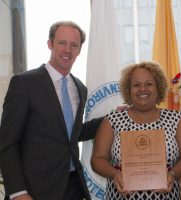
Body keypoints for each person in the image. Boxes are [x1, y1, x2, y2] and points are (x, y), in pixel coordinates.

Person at [0, 21, 103, 200]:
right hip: (35, 189)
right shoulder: (24, 84)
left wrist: (114, 116)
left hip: (73, 187)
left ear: (79, 50)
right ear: (50, 44)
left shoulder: (80, 88)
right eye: (62, 43)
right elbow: (8, 143)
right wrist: (18, 192)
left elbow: (72, 133)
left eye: (74, 45)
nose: (68, 50)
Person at [91, 61, 181, 200]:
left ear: (158, 87)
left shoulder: (175, 120)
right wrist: (114, 174)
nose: (142, 89)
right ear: (128, 89)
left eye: (148, 84)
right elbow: (97, 159)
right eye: (136, 85)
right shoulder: (112, 121)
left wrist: (172, 174)